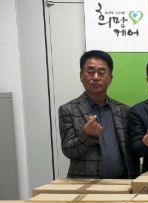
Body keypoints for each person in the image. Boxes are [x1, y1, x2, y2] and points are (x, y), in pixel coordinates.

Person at [59, 50, 138, 179]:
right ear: (81, 76)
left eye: (101, 72)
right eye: (90, 72)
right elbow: (69, 151)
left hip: (122, 184)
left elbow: (131, 154)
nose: (96, 77)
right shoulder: (68, 110)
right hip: (85, 185)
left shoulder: (124, 111)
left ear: (110, 78)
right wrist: (87, 135)